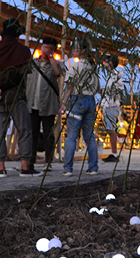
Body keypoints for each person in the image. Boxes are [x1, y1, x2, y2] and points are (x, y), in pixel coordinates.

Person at [0, 17, 36, 177]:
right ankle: (25, 168)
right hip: (16, 97)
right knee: (24, 131)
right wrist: (4, 88)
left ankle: (1, 168)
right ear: (17, 33)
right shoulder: (23, 51)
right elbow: (21, 77)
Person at [59, 37, 101, 177]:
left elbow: (69, 86)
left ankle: (68, 168)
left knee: (72, 135)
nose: (73, 51)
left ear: (82, 50)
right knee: (89, 136)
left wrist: (64, 103)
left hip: (77, 100)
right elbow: (98, 87)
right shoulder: (93, 67)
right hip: (90, 100)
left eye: (76, 48)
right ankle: (93, 167)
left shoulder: (74, 67)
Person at [26, 36, 65, 171]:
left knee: (48, 134)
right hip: (32, 104)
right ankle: (30, 161)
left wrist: (52, 58)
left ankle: (48, 162)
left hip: (48, 104)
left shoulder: (56, 63)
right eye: (45, 46)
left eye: (50, 47)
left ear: (54, 50)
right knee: (33, 134)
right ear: (41, 47)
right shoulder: (32, 63)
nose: (47, 49)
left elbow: (57, 73)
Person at [101, 55, 123, 163]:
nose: (105, 64)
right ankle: (113, 152)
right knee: (109, 129)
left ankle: (114, 153)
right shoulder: (111, 76)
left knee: (111, 129)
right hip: (108, 104)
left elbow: (115, 91)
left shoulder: (115, 76)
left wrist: (104, 92)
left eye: (107, 62)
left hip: (112, 105)